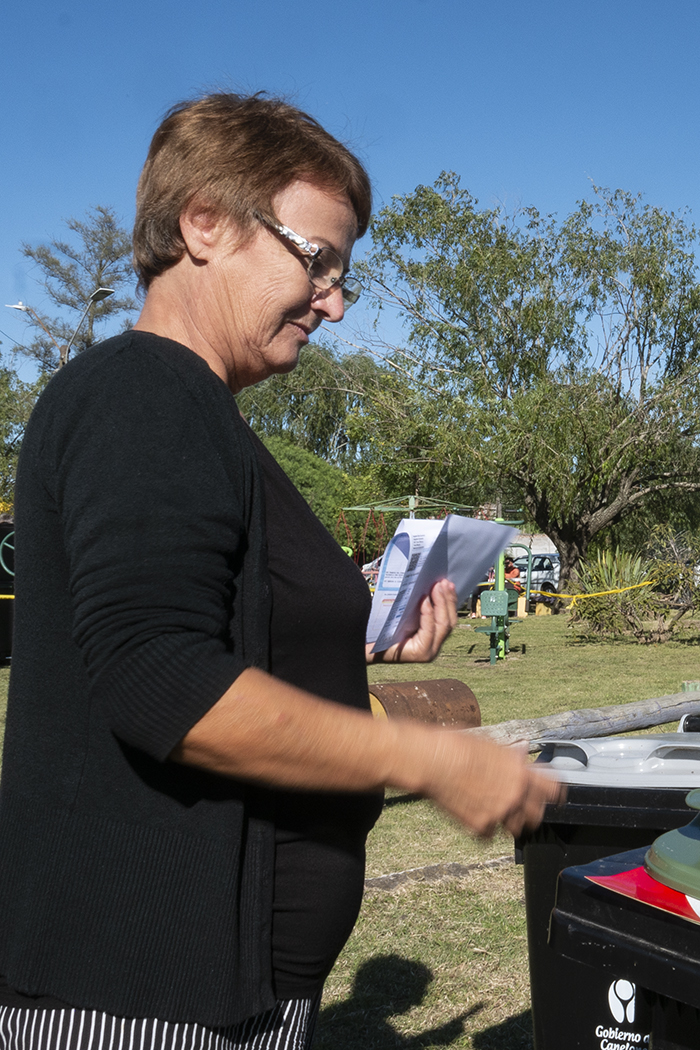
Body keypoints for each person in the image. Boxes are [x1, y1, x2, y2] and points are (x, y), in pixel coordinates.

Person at [0, 94, 561, 1045]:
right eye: (318, 261)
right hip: (140, 993)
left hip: (222, 992)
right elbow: (158, 679)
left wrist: (357, 646)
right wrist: (425, 757)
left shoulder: (204, 417)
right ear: (205, 224)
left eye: (346, 275)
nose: (334, 300)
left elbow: (206, 633)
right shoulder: (144, 392)